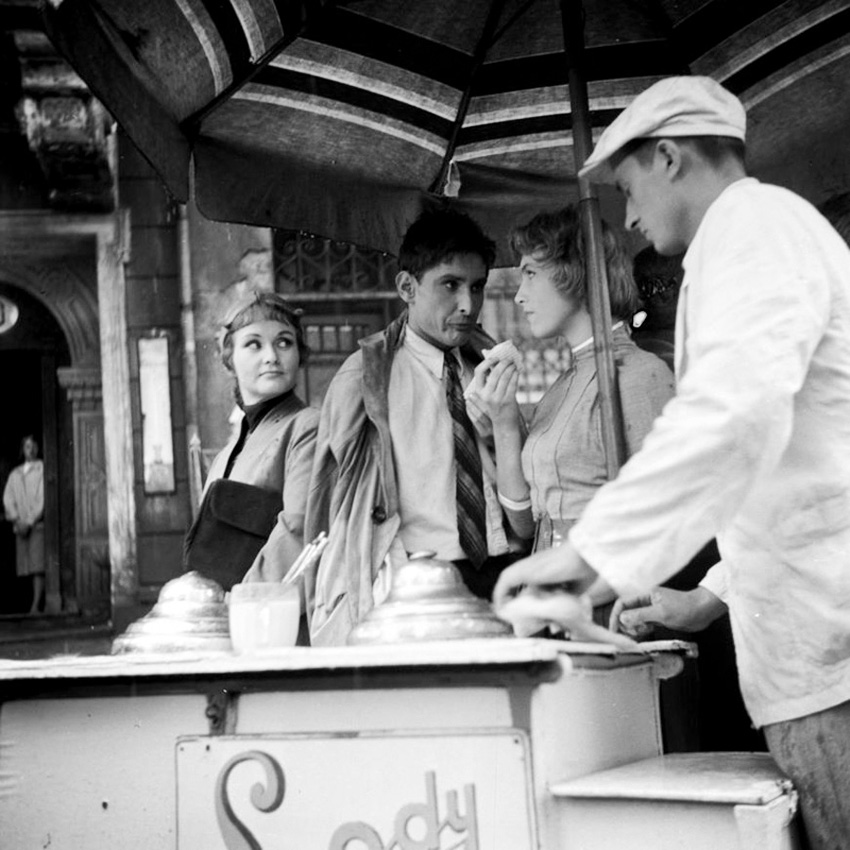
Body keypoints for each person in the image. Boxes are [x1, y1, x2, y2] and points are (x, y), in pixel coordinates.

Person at [491, 76, 850, 849]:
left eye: (627, 188)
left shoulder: (753, 230)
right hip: (811, 642)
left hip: (832, 652)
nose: (627, 216)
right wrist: (708, 598)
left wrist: (590, 560)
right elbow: (783, 464)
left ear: (668, 157)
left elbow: (729, 418)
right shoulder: (752, 236)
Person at [305, 206, 521, 645]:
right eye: (450, 285)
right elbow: (328, 502)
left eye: (477, 286)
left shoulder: (487, 365)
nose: (468, 304)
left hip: (502, 574)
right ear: (407, 286)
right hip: (417, 587)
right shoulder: (365, 379)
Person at [466, 206, 674, 621]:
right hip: (552, 605)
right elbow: (527, 524)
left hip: (608, 612)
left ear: (576, 273)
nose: (519, 295)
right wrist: (504, 421)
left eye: (531, 273)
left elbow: (664, 526)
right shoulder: (560, 387)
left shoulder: (639, 376)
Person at [183, 291, 319, 599]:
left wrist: (240, 603)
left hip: (272, 612)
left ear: (299, 354)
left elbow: (299, 532)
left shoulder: (308, 427)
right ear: (229, 358)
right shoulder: (225, 456)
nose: (271, 356)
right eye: (254, 344)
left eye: (284, 342)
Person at [3, 434, 45, 614]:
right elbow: (8, 498)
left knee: (37, 566)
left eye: (33, 446)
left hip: (36, 524)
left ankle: (36, 605)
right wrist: (16, 519)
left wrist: (29, 521)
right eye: (27, 446)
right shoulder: (15, 474)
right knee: (25, 566)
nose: (31, 450)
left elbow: (42, 498)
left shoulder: (42, 469)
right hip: (20, 525)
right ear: (23, 449)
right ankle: (27, 604)